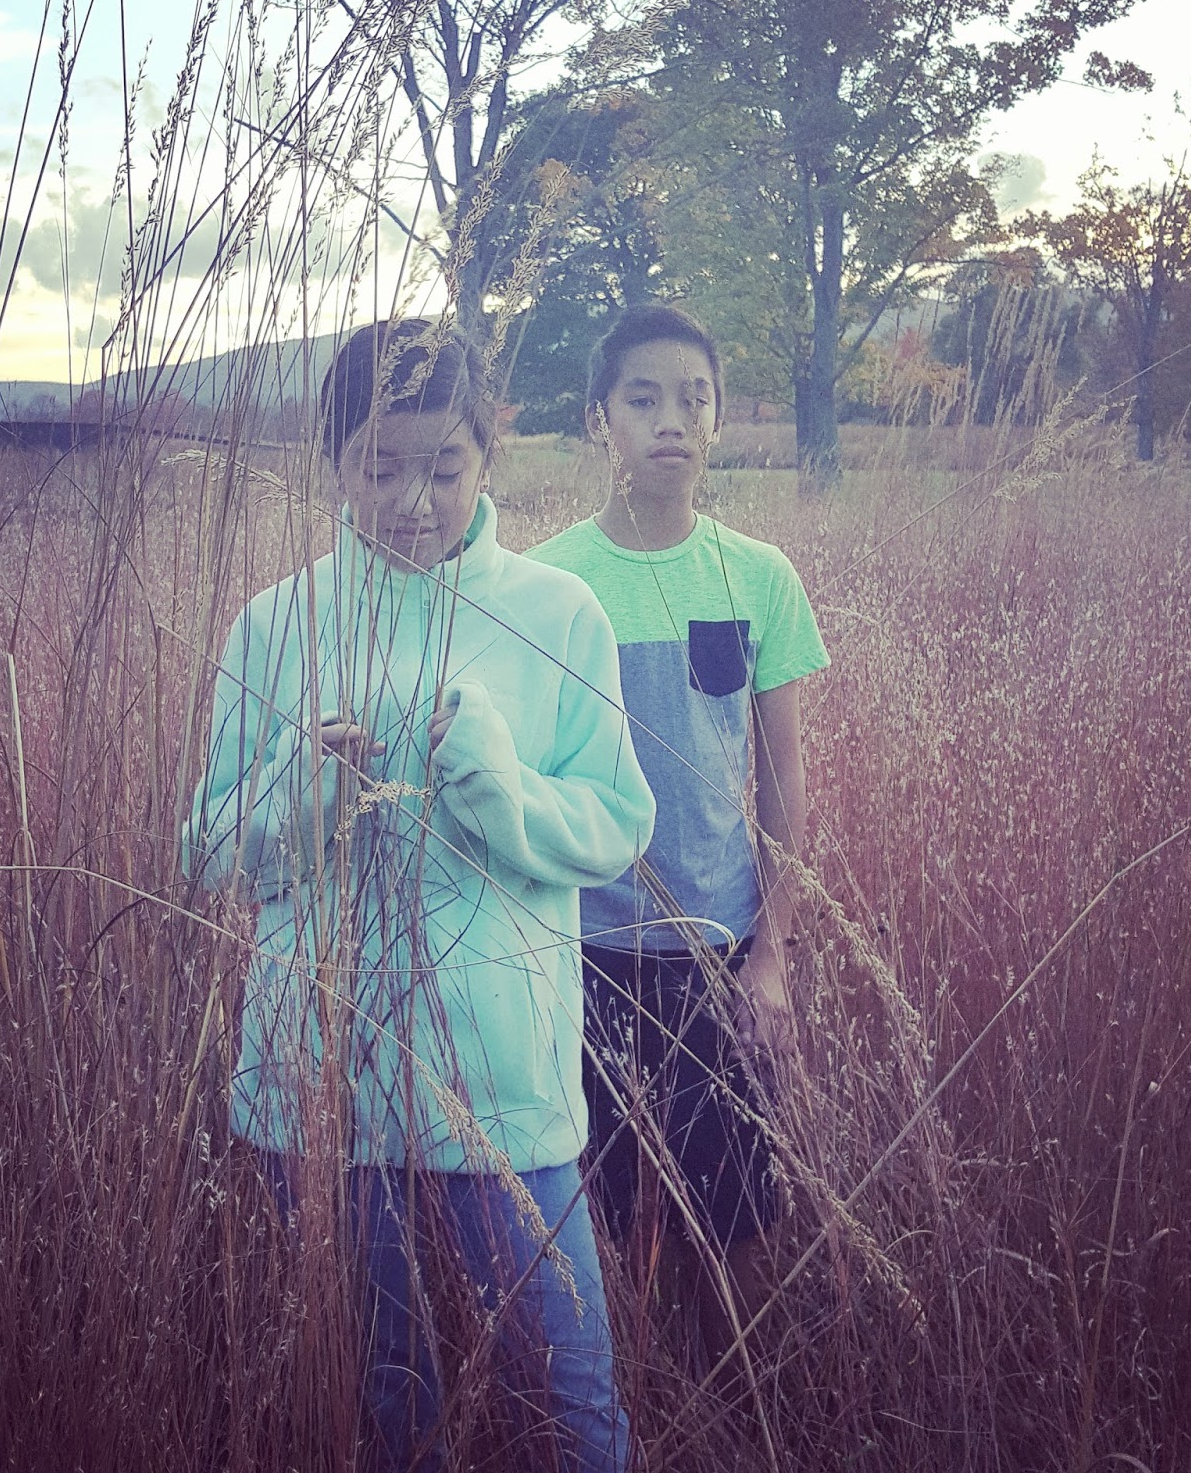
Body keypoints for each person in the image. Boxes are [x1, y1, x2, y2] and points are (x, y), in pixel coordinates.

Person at [182, 317, 655, 1471]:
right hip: (317, 1084)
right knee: (386, 1403)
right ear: (333, 462)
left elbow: (616, 822)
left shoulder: (556, 613)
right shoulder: (275, 623)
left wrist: (501, 789)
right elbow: (210, 855)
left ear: (488, 455)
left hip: (503, 1085)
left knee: (571, 1398)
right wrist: (297, 788)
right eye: (378, 466)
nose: (411, 501)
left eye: (443, 467)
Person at [528, 304, 830, 1365]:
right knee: (606, 1218)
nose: (673, 420)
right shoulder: (547, 585)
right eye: (644, 398)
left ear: (718, 419)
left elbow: (782, 776)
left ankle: (738, 1398)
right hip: (582, 951)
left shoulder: (757, 575)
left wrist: (772, 954)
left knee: (737, 1214)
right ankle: (636, 1400)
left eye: (695, 399)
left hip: (718, 948)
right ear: (596, 420)